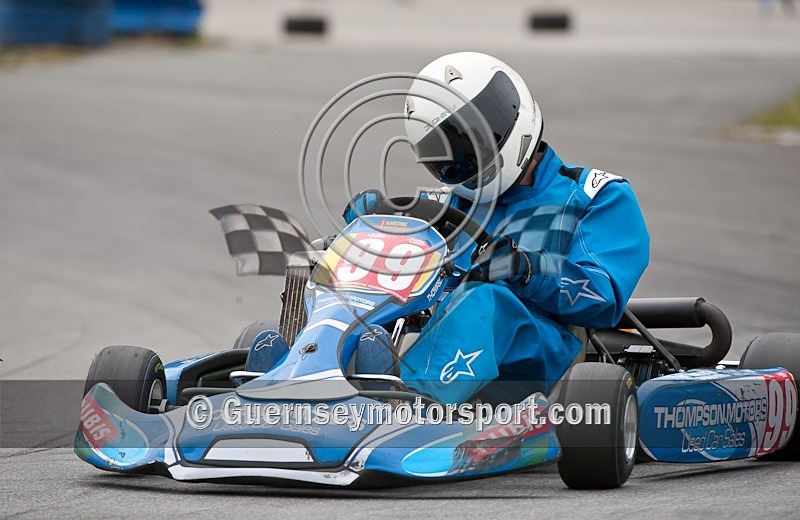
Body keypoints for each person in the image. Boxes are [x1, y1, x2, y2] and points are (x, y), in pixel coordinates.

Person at [343, 52, 650, 405]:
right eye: (445, 155)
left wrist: (529, 269)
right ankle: (299, 380)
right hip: (434, 344)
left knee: (484, 299)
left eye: (467, 144)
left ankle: (405, 405)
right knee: (356, 292)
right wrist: (372, 225)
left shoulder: (596, 196)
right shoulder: (443, 205)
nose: (461, 161)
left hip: (538, 362)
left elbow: (603, 298)